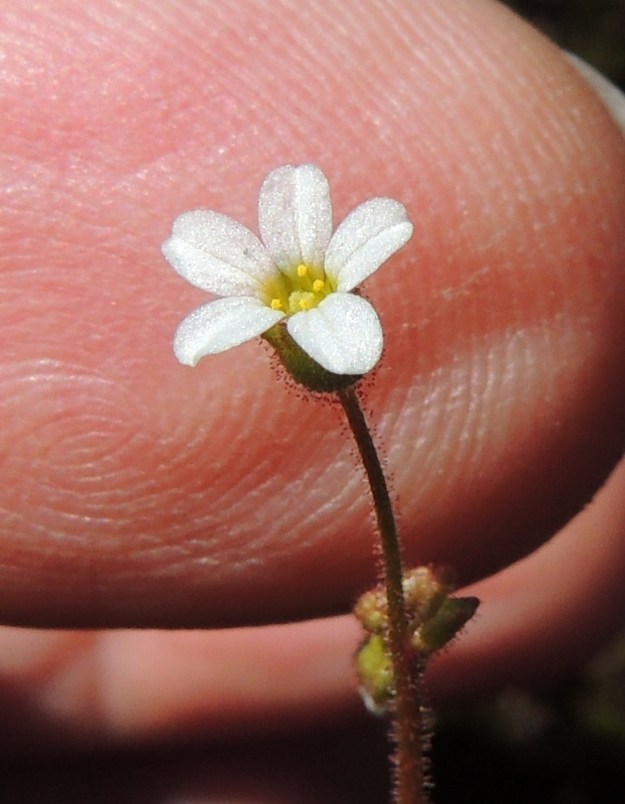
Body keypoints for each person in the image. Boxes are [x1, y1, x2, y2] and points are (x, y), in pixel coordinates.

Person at [1, 0, 624, 799]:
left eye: (308, 288)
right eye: (291, 295)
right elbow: (217, 274)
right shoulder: (255, 293)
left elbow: (357, 247)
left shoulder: (328, 279)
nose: (300, 291)